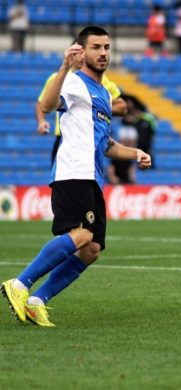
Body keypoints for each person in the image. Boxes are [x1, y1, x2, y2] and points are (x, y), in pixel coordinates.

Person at [1, 26, 151, 328]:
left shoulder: (104, 95)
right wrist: (63, 69)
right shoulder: (73, 83)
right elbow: (46, 105)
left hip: (91, 176)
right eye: (96, 47)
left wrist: (134, 153)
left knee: (91, 249)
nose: (104, 53)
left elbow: (105, 144)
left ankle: (36, 301)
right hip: (73, 172)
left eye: (107, 47)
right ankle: (19, 284)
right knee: (81, 234)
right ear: (81, 51)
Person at [36, 44, 128, 166]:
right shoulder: (57, 78)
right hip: (64, 137)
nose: (81, 57)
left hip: (91, 136)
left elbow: (122, 107)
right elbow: (42, 103)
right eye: (76, 52)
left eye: (83, 52)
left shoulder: (100, 79)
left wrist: (93, 108)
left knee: (90, 176)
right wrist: (42, 121)